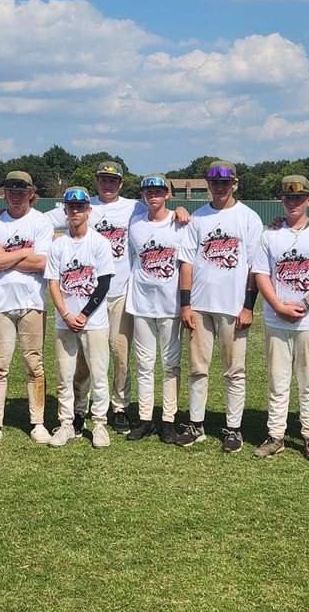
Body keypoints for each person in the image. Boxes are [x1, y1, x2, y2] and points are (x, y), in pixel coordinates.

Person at [40, 161, 189, 436]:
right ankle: (79, 410)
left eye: (113, 181)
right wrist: (3, 212)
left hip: (120, 291)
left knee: (120, 354)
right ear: (96, 182)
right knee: (84, 358)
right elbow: (42, 219)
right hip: (85, 295)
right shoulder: (84, 204)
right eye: (103, 180)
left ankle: (119, 407)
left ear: (121, 184)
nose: (107, 185)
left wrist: (180, 209)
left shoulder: (135, 206)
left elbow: (163, 211)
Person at [252, 175, 309, 460]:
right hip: (276, 318)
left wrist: (304, 303)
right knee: (277, 380)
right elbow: (261, 274)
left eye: (299, 198)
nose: (293, 202)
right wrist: (278, 306)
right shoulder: (270, 234)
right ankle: (276, 435)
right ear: (282, 200)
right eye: (288, 198)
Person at [176, 160, 263, 451]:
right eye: (214, 183)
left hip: (233, 306)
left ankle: (233, 428)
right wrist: (185, 305)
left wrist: (249, 305)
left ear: (234, 184)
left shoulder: (248, 218)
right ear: (208, 186)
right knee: (197, 368)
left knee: (234, 370)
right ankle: (196, 423)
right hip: (200, 305)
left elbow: (254, 266)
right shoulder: (197, 218)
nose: (220, 187)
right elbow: (186, 263)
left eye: (225, 182)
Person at [0, 170, 54, 444]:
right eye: (11, 191)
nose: (16, 197)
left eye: (21, 192)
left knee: (33, 364)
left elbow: (42, 263)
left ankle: (37, 422)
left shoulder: (41, 222)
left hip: (33, 302)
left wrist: (7, 256)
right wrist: (25, 252)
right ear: (4, 194)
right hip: (0, 303)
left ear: (31, 194)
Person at [45, 187, 116, 448]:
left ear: (89, 210)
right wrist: (65, 314)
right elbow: (53, 283)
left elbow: (104, 283)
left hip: (94, 322)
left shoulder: (99, 243)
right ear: (65, 210)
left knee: (98, 374)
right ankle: (66, 423)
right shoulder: (58, 245)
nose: (75, 211)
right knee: (64, 375)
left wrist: (84, 315)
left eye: (80, 206)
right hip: (64, 322)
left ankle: (99, 424)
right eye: (70, 207)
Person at [124, 175, 187, 442]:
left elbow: (186, 264)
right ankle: (146, 419)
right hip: (140, 303)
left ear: (168, 195)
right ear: (142, 195)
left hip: (170, 305)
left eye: (159, 191)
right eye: (148, 191)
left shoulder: (180, 222)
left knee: (170, 365)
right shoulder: (135, 222)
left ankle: (169, 420)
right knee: (144, 364)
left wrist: (186, 303)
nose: (153, 196)